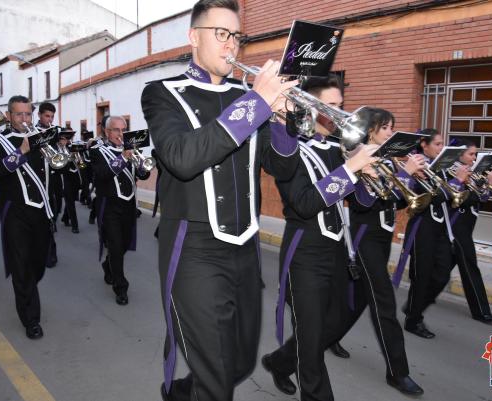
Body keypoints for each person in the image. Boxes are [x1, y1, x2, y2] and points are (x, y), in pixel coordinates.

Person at [140, 0, 310, 399]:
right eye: (222, 34)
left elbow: (282, 169)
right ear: (193, 37)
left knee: (240, 362)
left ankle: (183, 394)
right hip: (193, 246)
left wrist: (283, 122)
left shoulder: (249, 96)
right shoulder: (163, 94)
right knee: (217, 376)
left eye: (236, 36)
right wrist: (257, 103)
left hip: (245, 245)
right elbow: (182, 158)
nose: (232, 44)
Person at [260, 76, 378, 401]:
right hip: (304, 254)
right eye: (333, 107)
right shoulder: (288, 145)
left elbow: (364, 203)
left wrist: (371, 175)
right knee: (311, 342)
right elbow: (304, 203)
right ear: (310, 107)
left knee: (334, 323)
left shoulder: (337, 149)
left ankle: (279, 362)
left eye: (342, 106)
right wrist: (351, 170)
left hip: (338, 251)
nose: (343, 115)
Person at [333, 108, 424, 395]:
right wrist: (397, 174)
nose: (390, 132)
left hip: (382, 240)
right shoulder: (356, 157)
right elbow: (360, 203)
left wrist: (406, 178)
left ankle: (308, 346)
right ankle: (398, 372)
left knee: (357, 301)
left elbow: (393, 202)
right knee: (384, 303)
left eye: (392, 127)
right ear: (371, 130)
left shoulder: (386, 160)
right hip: (364, 239)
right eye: (385, 127)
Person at [0, 95, 54, 339]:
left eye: (28, 114)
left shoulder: (42, 138)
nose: (24, 119)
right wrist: (22, 150)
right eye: (19, 114)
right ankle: (30, 319)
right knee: (21, 266)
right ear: (10, 115)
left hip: (40, 211)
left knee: (37, 264)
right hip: (14, 213)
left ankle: (29, 289)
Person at [396, 128, 467, 339]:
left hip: (441, 228)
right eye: (437, 144)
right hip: (422, 228)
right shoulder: (416, 165)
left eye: (442, 143)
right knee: (422, 277)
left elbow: (451, 196)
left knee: (442, 275)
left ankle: (413, 307)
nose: (441, 147)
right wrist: (457, 182)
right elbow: (432, 196)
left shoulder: (442, 166)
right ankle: (413, 320)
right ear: (424, 145)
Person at [90, 116, 150, 305]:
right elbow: (102, 175)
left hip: (129, 204)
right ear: (107, 132)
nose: (121, 133)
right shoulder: (97, 151)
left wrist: (142, 165)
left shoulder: (133, 150)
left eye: (123, 129)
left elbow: (144, 173)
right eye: (116, 130)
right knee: (115, 245)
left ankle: (108, 265)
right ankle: (121, 287)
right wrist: (123, 157)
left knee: (123, 244)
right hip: (109, 205)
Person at [447, 139, 492, 323]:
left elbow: (481, 197)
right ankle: (481, 311)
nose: (475, 157)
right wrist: (483, 185)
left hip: (468, 225)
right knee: (471, 267)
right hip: (457, 225)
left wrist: (488, 184)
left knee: (441, 271)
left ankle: (419, 299)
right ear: (460, 154)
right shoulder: (451, 170)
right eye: (471, 154)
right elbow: (465, 199)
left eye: (476, 154)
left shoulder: (472, 172)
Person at [36, 102, 59, 267]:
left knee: (52, 216)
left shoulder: (54, 132)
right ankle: (48, 253)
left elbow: (56, 153)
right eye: (47, 116)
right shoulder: (32, 132)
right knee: (41, 220)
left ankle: (51, 249)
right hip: (37, 181)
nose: (49, 119)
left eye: (52, 116)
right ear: (39, 115)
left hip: (51, 182)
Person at [58, 129, 81, 233]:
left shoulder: (69, 148)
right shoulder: (56, 150)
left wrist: (78, 157)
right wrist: (69, 158)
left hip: (75, 178)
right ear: (59, 139)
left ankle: (65, 217)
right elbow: (59, 166)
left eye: (67, 138)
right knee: (70, 201)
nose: (66, 141)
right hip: (65, 178)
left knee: (71, 200)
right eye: (64, 138)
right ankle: (75, 226)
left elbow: (82, 166)